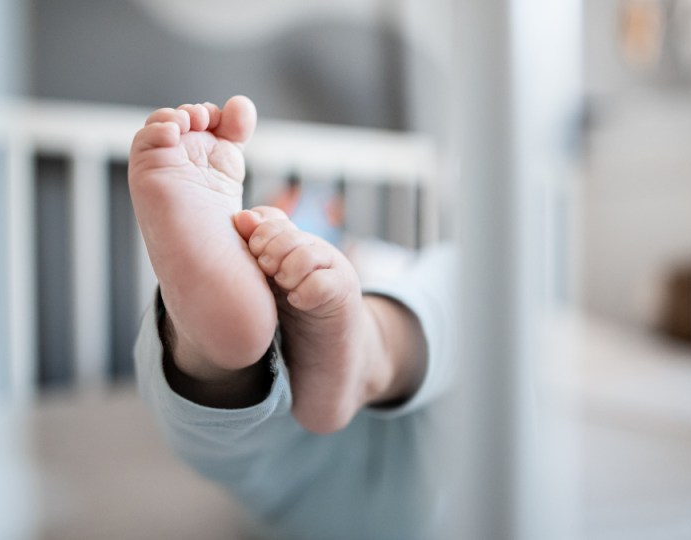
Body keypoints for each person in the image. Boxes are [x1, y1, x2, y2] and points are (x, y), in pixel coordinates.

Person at [130, 96, 455, 539]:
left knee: (231, 435)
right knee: (470, 284)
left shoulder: (374, 260)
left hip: (305, 491)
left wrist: (341, 260)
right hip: (435, 483)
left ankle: (213, 364)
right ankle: (224, 354)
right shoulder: (301, 273)